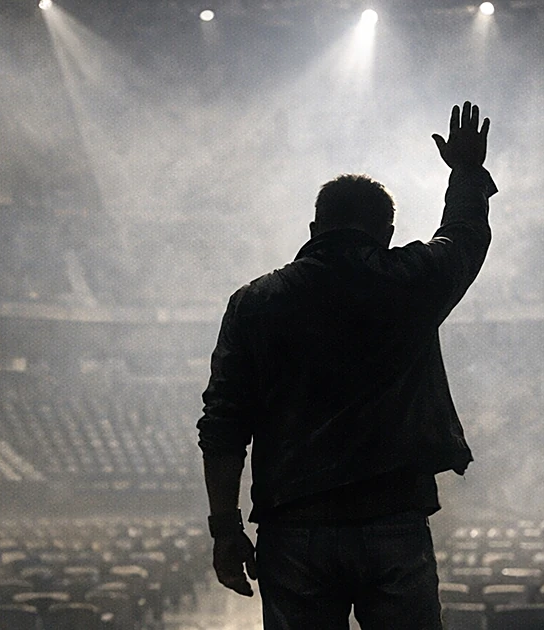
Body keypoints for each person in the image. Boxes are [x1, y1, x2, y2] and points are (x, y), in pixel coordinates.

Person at [197, 101, 496, 629]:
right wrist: (466, 175)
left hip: (293, 531)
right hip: (394, 521)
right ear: (386, 233)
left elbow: (223, 426)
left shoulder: (254, 302)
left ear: (314, 227)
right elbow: (464, 239)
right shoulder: (412, 282)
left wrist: (226, 528)